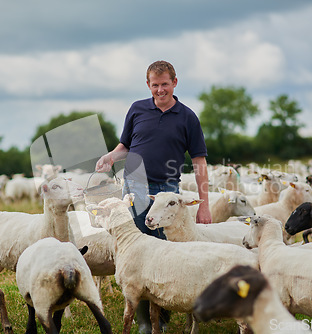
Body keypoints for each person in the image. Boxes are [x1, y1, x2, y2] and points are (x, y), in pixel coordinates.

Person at [95, 60, 211, 333]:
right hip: (134, 188)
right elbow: (126, 146)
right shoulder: (137, 110)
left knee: (166, 252)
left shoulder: (187, 117)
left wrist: (203, 206)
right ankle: (145, 321)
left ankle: (165, 318)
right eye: (155, 85)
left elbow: (199, 162)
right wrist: (111, 156)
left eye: (165, 84)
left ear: (175, 83)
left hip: (167, 190)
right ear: (148, 84)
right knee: (136, 251)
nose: (160, 90)